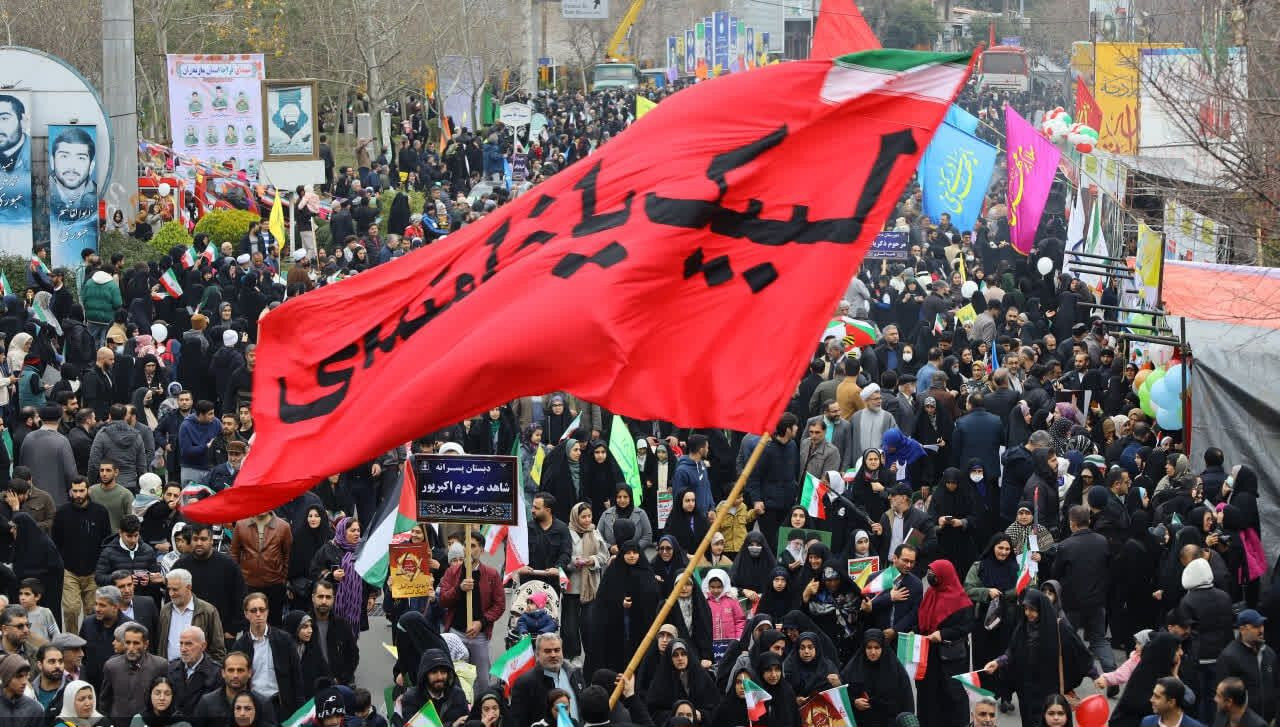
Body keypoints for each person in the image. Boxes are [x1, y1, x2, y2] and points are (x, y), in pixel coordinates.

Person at [981, 589, 1095, 727]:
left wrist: (1095, 675)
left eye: (1032, 609)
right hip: (1026, 690)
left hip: (1049, 690)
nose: (1028, 613)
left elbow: (1079, 652)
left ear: (1042, 609)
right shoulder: (1023, 627)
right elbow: (1012, 651)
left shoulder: (1059, 627)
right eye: (1026, 609)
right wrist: (998, 662)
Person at [1050, 505, 1114, 671]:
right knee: (1099, 640)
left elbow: (1055, 573)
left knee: (1068, 640)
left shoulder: (1065, 546)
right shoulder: (1102, 541)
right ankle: (1111, 672)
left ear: (1072, 523)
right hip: (1097, 601)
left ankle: (1069, 676)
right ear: (1089, 520)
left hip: (1072, 604)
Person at [439, 531, 504, 694]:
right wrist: (458, 589)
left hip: (479, 636)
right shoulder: (452, 572)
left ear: (481, 550)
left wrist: (481, 622)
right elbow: (444, 600)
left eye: (473, 546)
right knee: (454, 680)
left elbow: (499, 605)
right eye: (466, 546)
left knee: (482, 682)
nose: (468, 550)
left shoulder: (491, 575)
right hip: (456, 634)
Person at [914, 560, 974, 727]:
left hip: (951, 658)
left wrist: (943, 634)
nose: (930, 576)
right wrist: (915, 631)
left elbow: (967, 626)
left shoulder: (960, 600)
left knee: (952, 695)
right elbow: (923, 620)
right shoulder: (930, 593)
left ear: (945, 575)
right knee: (928, 694)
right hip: (929, 654)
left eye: (934, 573)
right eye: (930, 572)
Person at [229, 592, 304, 717]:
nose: (258, 614)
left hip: (281, 705)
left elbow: (296, 675)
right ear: (246, 614)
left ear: (267, 612)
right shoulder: (240, 645)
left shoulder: (284, 640)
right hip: (252, 706)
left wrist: (299, 710)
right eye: (253, 610)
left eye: (262, 609)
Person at [229, 510, 292, 626]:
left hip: (275, 584)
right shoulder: (241, 525)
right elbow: (234, 553)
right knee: (249, 623)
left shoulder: (283, 527)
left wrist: (282, 578)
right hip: (248, 583)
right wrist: (239, 579)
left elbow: (287, 555)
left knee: (274, 623)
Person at [100, 622, 169, 725]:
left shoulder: (160, 665)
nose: (131, 648)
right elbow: (105, 701)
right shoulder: (111, 666)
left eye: (136, 643)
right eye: (128, 642)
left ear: (146, 645)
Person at [1111, 632, 1186, 727]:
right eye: (1178, 649)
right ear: (1167, 651)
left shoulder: (1167, 669)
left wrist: (1175, 675)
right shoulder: (1147, 674)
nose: (1181, 653)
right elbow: (1185, 700)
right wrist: (1175, 677)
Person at [1215, 610, 1277, 723]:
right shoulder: (1229, 657)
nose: (1261, 630)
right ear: (1242, 629)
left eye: (1262, 625)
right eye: (1256, 627)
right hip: (1243, 722)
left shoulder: (1269, 653)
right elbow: (1223, 696)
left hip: (1269, 720)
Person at [509, 634, 585, 727]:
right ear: (537, 654)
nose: (553, 655)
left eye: (557, 650)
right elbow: (518, 721)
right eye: (547, 651)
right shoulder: (524, 683)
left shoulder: (575, 674)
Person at [155, 568, 226, 664]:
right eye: (169, 589)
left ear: (188, 587)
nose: (171, 593)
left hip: (199, 670)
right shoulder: (165, 610)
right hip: (168, 668)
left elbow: (218, 649)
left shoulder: (207, 611)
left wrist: (211, 671)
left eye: (175, 589)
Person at [564, 502, 606, 662]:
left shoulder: (595, 533)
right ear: (576, 517)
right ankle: (572, 656)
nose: (587, 520)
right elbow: (562, 556)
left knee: (590, 625)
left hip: (591, 587)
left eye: (589, 516)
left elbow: (604, 556)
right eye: (583, 517)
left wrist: (592, 560)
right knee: (570, 626)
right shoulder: (567, 533)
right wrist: (574, 562)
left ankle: (591, 658)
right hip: (572, 587)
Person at [191, 651, 278, 727]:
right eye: (231, 670)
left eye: (240, 670)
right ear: (223, 673)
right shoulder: (207, 702)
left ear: (249, 673)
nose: (235, 675)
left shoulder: (263, 703)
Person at [309, 579, 359, 685]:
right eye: (320, 596)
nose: (324, 601)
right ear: (313, 598)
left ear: (333, 599)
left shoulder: (342, 625)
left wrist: (342, 679)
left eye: (328, 597)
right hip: (311, 685)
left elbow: (353, 656)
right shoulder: (304, 624)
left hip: (337, 683)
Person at [166, 626, 220, 718]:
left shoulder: (216, 673)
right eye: (181, 643)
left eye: (189, 644)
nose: (183, 649)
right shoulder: (171, 668)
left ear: (203, 646)